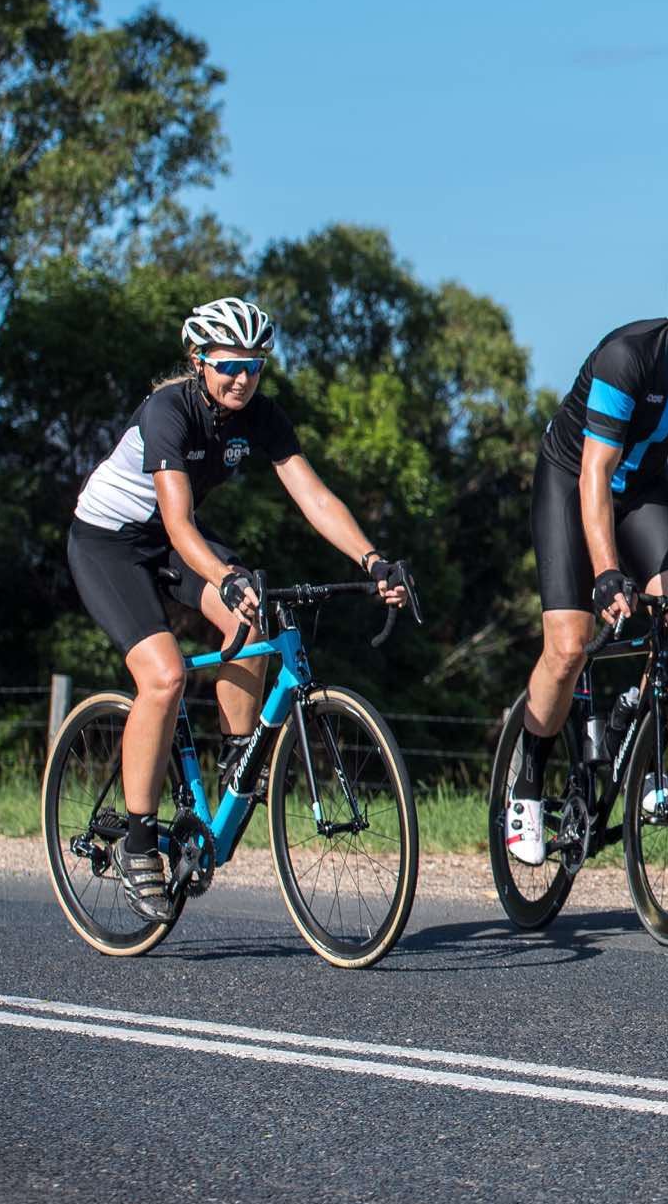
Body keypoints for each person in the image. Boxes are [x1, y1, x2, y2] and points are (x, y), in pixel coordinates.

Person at [68, 296, 413, 919]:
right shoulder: (168, 410)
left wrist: (372, 560)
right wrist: (223, 576)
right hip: (110, 544)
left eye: (254, 365)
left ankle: (236, 757)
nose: (242, 378)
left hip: (170, 539)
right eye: (229, 364)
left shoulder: (260, 414)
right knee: (165, 674)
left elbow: (314, 497)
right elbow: (176, 521)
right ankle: (140, 841)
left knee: (253, 611)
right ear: (199, 360)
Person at [504, 247, 668, 865]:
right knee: (570, 644)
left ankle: (648, 758)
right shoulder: (628, 356)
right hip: (572, 479)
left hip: (645, 483)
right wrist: (605, 574)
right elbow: (594, 474)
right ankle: (526, 786)